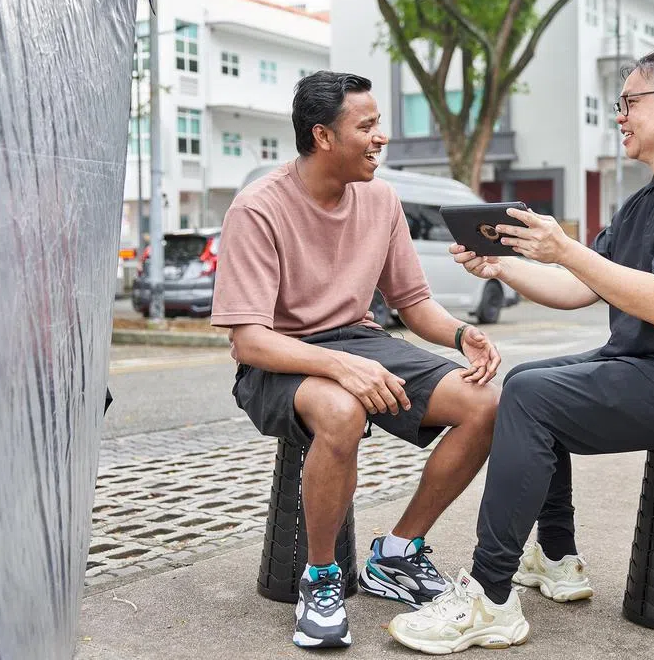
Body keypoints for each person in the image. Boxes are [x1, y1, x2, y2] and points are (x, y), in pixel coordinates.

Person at [387, 49, 654, 654]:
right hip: (653, 369)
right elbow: (578, 288)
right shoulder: (647, 201)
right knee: (529, 382)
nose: (619, 116)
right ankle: (557, 556)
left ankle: (490, 596)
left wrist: (564, 248)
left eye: (629, 103)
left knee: (536, 398)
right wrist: (503, 267)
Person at [210, 71, 504, 650]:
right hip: (277, 360)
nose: (380, 138)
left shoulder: (380, 198)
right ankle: (321, 579)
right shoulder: (257, 208)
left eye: (378, 125)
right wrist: (340, 368)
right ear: (322, 136)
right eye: (366, 127)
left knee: (486, 402)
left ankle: (397, 552)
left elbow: (413, 302)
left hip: (359, 340)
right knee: (342, 411)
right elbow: (248, 340)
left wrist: (461, 333)